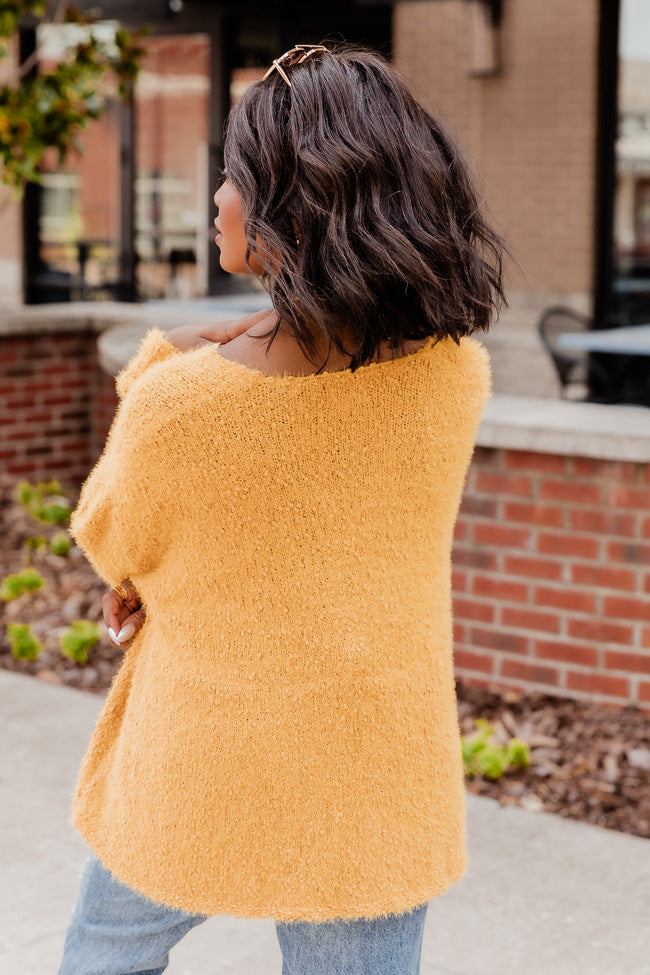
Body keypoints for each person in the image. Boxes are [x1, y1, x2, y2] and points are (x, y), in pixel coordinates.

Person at [57, 42, 505, 975]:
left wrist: (159, 365)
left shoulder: (184, 402)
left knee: (107, 951)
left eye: (234, 174)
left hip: (202, 758)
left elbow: (109, 535)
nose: (218, 196)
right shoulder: (456, 375)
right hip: (372, 775)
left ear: (288, 211)